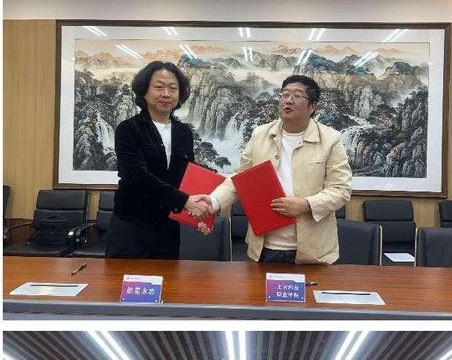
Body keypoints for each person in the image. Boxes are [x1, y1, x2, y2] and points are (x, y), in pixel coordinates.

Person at [210, 75, 352, 264]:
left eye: (297, 95)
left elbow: (341, 190)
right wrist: (213, 201)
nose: (288, 100)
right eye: (284, 95)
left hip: (312, 250)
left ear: (312, 106)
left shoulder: (331, 139)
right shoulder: (260, 134)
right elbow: (240, 179)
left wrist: (306, 204)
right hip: (264, 247)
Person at [106, 60, 210, 258]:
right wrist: (186, 202)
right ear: (144, 91)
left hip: (168, 228)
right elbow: (136, 176)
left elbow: (187, 178)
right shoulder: (128, 129)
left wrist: (199, 217)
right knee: (128, 278)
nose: (166, 94)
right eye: (159, 87)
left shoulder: (184, 133)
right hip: (132, 227)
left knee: (167, 278)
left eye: (173, 88)